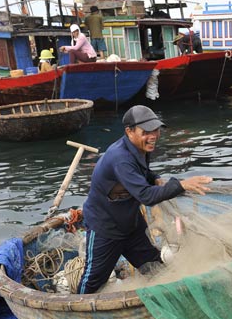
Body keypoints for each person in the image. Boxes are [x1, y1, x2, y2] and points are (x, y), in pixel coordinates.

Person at [77, 105, 213, 294]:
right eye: (147, 131)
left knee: (155, 269)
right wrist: (180, 185)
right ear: (129, 131)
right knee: (92, 281)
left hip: (131, 225)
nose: (154, 136)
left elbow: (142, 171)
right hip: (106, 228)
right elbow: (146, 196)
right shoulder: (120, 158)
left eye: (156, 130)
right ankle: (77, 316)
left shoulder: (140, 147)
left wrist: (154, 177)